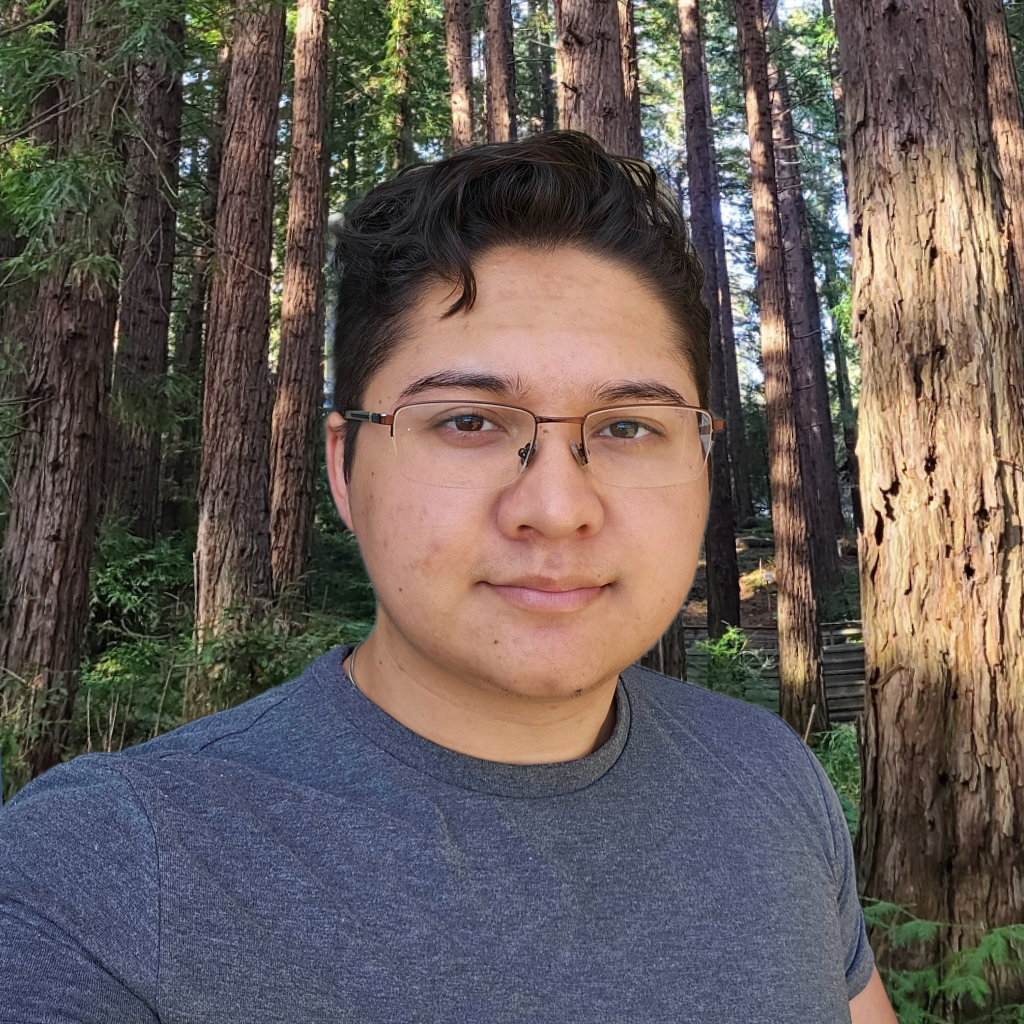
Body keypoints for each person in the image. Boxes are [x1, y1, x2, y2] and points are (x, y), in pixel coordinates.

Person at [0, 131, 897, 1023]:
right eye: (469, 420)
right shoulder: (100, 880)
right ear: (346, 468)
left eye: (627, 427)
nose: (556, 507)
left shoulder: (769, 776)